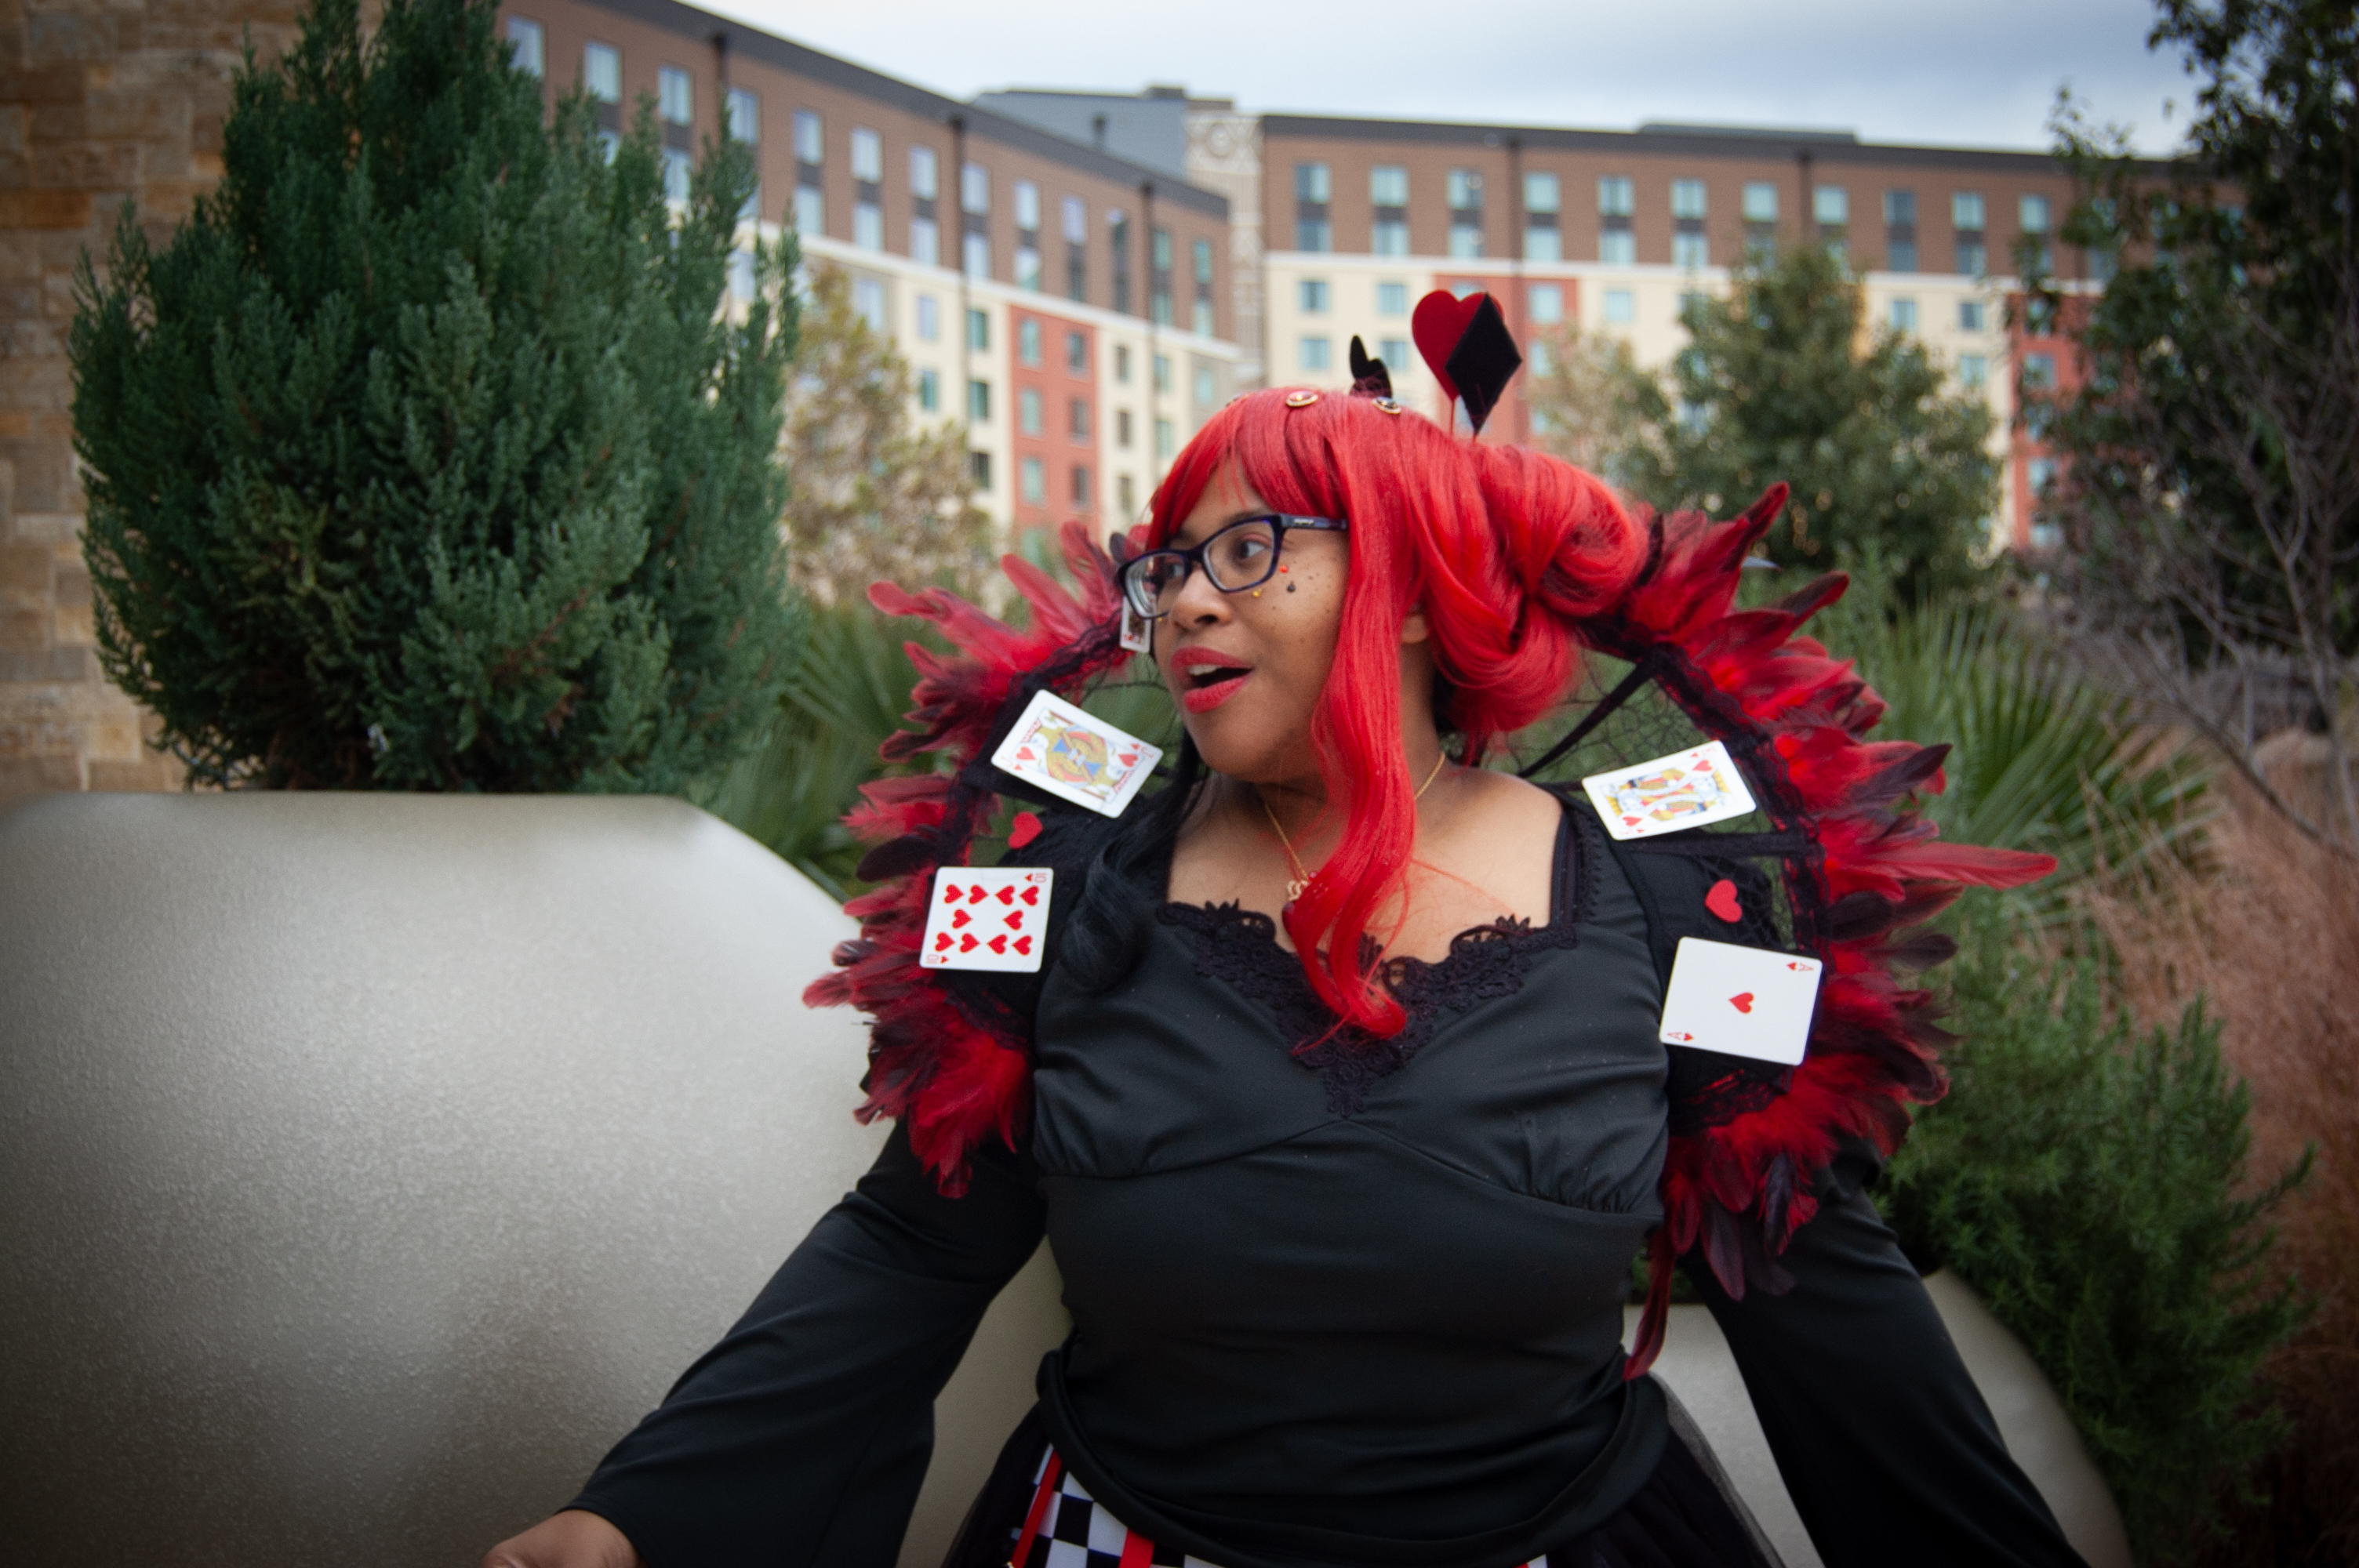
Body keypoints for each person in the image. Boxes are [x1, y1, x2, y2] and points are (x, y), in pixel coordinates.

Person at [485, 329, 2080, 1568]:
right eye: (1169, 563)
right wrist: (641, 1518)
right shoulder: (1063, 891)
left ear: (1399, 587)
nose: (1180, 602)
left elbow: (1817, 1293)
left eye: (1247, 550)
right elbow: (905, 1252)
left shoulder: (1675, 907)